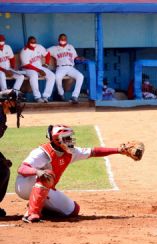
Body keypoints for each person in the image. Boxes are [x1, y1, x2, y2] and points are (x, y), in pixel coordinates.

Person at [15, 124, 140, 223]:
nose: (70, 140)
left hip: (43, 187)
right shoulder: (42, 152)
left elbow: (94, 152)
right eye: (67, 138)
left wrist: (119, 150)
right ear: (57, 140)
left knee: (73, 210)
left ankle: (40, 206)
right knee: (47, 174)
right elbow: (22, 169)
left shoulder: (71, 152)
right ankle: (31, 214)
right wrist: (38, 171)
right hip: (24, 185)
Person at [0, 89, 21, 217]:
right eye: (15, 101)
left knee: (3, 169)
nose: (17, 104)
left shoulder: (2, 114)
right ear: (6, 102)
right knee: (1, 171)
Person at [47, 34, 85, 104]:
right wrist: (47, 61)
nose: (63, 41)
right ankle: (61, 94)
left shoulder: (70, 47)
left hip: (71, 67)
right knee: (57, 77)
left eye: (64, 39)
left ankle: (74, 96)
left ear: (66, 40)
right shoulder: (54, 48)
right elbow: (45, 52)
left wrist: (80, 58)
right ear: (59, 40)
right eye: (62, 39)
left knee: (80, 76)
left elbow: (75, 57)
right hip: (61, 67)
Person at [20, 36, 55, 103]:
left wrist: (46, 64)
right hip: (28, 68)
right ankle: (37, 97)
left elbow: (47, 54)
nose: (33, 43)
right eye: (32, 42)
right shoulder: (24, 51)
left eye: (34, 42)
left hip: (39, 67)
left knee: (52, 76)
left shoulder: (39, 47)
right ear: (28, 42)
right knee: (34, 75)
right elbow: (26, 65)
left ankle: (46, 96)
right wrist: (39, 70)